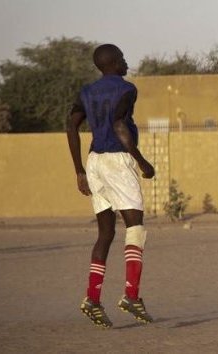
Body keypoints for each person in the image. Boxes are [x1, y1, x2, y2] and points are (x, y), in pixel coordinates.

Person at [66, 44, 156, 328]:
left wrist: (79, 170)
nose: (127, 63)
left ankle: (92, 299)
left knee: (105, 233)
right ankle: (132, 295)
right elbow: (119, 125)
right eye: (123, 59)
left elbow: (71, 125)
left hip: (94, 162)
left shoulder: (86, 92)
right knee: (135, 227)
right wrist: (142, 162)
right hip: (117, 160)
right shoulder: (127, 89)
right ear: (115, 63)